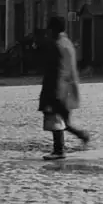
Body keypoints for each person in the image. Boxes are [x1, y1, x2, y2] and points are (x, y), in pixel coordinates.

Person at [38, 15, 90, 160]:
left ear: (53, 29)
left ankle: (59, 150)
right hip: (67, 88)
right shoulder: (67, 43)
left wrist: (53, 91)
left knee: (56, 120)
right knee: (63, 121)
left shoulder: (57, 45)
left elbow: (57, 70)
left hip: (58, 88)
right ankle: (80, 136)